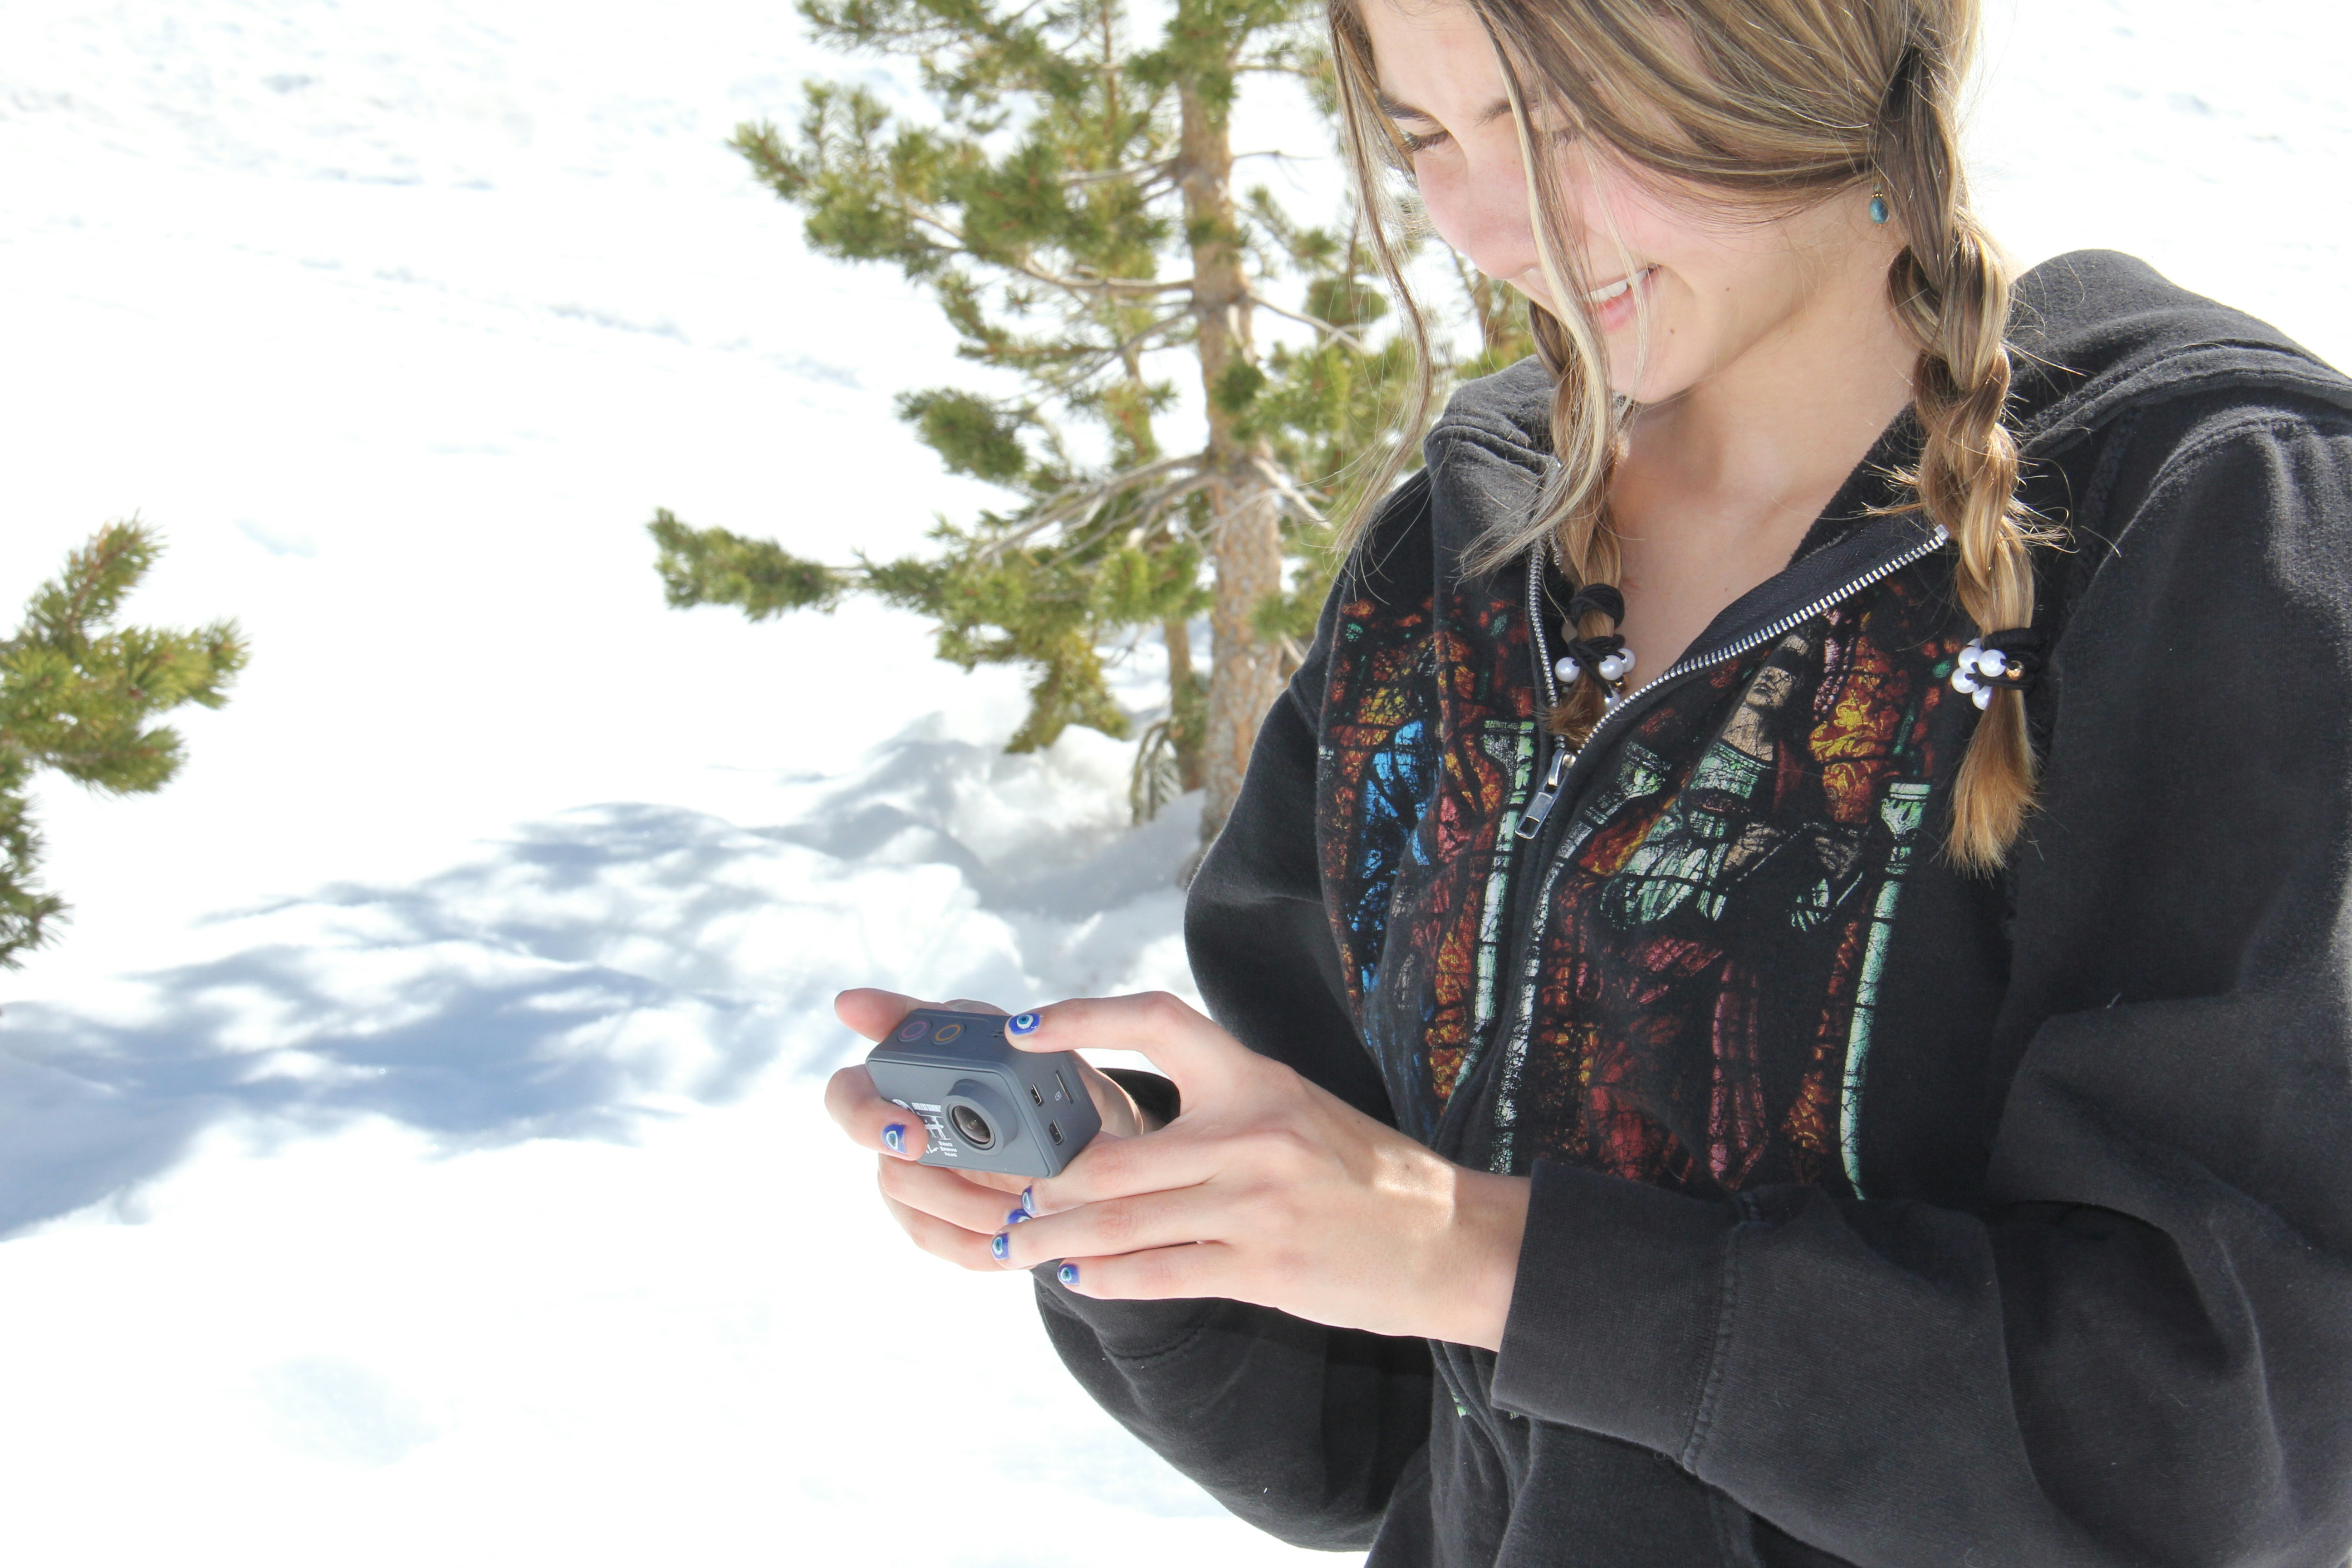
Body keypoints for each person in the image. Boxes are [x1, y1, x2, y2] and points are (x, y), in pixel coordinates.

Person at [827, 0, 2352, 1561]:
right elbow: (1352, 1437)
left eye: (1555, 121)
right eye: (1424, 136)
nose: (1490, 225)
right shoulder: (1465, 552)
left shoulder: (2213, 525)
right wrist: (1142, 1200)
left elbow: (2232, 1439)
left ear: (1799, 53)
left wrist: (1483, 1256)